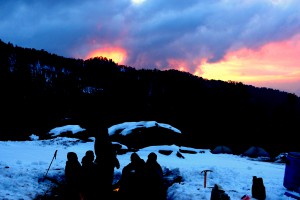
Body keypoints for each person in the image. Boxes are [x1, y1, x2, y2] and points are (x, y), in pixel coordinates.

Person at [94, 125, 120, 199]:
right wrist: (114, 159)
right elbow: (106, 152)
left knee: (106, 180)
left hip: (107, 162)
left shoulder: (103, 138)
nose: (107, 132)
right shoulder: (102, 139)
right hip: (105, 163)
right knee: (105, 180)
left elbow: (109, 151)